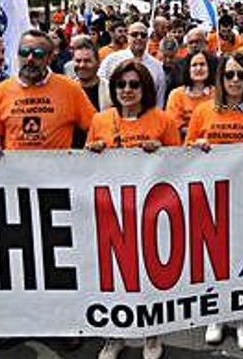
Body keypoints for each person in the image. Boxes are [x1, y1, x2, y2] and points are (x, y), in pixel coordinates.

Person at [87, 60, 181, 359]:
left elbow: (181, 166)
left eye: (134, 84)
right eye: (121, 85)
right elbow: (86, 168)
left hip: (152, 212)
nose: (127, 90)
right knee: (114, 276)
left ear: (145, 88)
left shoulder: (162, 120)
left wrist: (161, 154)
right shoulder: (100, 120)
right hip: (111, 212)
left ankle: (152, 335)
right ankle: (116, 336)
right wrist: (93, 152)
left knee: (150, 276)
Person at [186, 53, 243, 352]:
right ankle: (216, 315)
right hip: (210, 197)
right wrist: (196, 147)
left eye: (241, 75)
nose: (235, 81)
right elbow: (185, 155)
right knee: (214, 258)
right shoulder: (203, 112)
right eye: (229, 75)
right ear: (219, 79)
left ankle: (242, 318)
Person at [0, 30, 96, 156]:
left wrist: (94, 144)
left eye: (38, 54)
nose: (30, 59)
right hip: (15, 172)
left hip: (59, 171)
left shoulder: (70, 89)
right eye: (24, 52)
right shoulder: (1, 90)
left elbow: (95, 126)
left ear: (50, 58)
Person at [98, 22, 167, 108]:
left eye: (143, 35)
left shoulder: (157, 66)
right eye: (134, 34)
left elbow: (159, 99)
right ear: (127, 37)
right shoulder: (111, 60)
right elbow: (101, 87)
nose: (139, 38)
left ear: (147, 39)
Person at [165, 51, 215, 139]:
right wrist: (199, 132)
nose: (198, 68)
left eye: (202, 64)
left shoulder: (217, 94)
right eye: (194, 65)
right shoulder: (176, 95)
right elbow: (173, 126)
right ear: (188, 69)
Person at [70, 37, 109, 110]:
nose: (82, 65)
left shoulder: (110, 90)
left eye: (87, 61)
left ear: (98, 62)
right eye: (78, 61)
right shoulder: (67, 90)